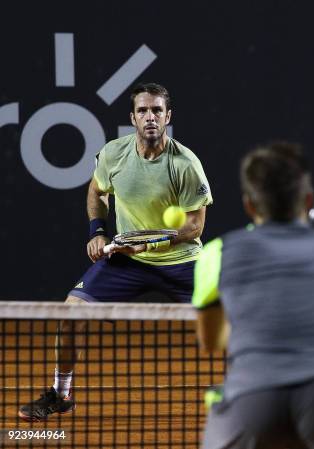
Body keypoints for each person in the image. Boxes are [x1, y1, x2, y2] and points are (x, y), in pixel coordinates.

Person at [19, 82, 213, 421]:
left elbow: (195, 228)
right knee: (70, 315)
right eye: (143, 110)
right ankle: (60, 396)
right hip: (128, 261)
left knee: (238, 321)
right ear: (132, 118)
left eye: (156, 110)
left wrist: (150, 242)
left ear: (168, 117)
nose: (150, 117)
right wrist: (97, 232)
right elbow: (96, 190)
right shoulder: (113, 154)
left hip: (182, 261)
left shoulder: (186, 164)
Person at [192, 142, 314, 449]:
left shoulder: (216, 254)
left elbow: (211, 340)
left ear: (249, 205)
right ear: (308, 199)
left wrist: (260, 319)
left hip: (253, 399)